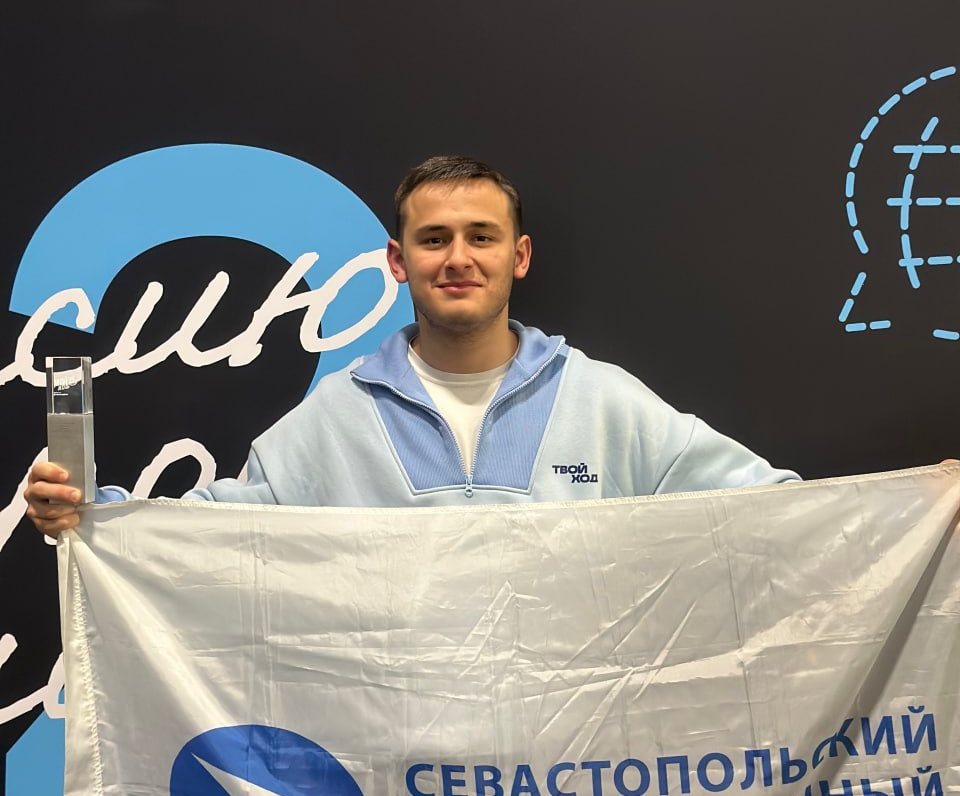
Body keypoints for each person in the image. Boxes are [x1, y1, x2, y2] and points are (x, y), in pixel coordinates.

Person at [23, 155, 798, 534]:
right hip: (401, 776)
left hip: (570, 772)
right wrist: (92, 518)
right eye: (433, 239)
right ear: (398, 261)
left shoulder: (604, 403)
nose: (458, 258)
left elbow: (779, 512)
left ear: (519, 256)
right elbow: (218, 535)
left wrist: (879, 517)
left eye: (481, 237)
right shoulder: (335, 419)